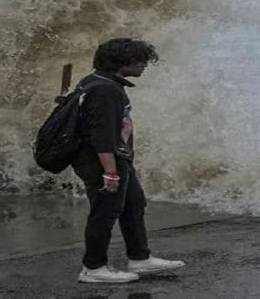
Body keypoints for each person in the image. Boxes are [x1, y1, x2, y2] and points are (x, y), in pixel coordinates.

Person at [71, 38, 186, 284]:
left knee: (134, 204)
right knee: (105, 211)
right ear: (122, 62)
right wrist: (110, 172)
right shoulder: (105, 90)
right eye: (139, 60)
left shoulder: (101, 83)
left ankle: (139, 258)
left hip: (117, 157)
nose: (144, 65)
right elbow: (102, 136)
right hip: (102, 160)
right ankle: (93, 267)